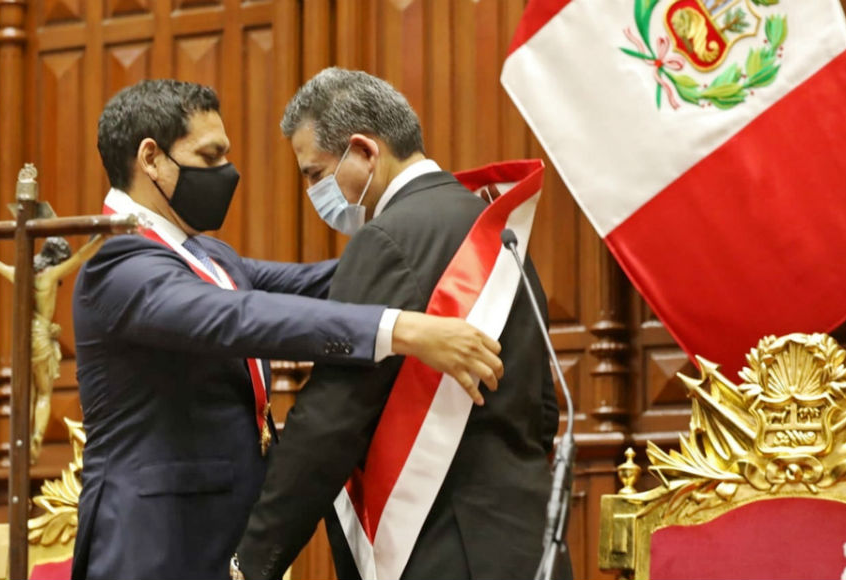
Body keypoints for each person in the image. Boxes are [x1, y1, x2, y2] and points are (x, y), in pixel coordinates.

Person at [70, 79, 508, 580]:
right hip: (156, 544)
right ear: (151, 159)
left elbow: (325, 280)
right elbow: (238, 318)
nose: (226, 173)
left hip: (225, 534)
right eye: (209, 156)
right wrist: (402, 329)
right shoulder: (116, 264)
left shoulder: (205, 254)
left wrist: (428, 223)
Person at [232, 68, 565, 579]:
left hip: (443, 551)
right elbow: (543, 408)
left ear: (365, 152)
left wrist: (253, 562)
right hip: (528, 544)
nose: (313, 192)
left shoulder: (386, 239)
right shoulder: (493, 226)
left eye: (315, 173)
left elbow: (331, 419)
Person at [0, 235, 105, 462]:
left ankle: (22, 436)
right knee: (43, 393)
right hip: (41, 335)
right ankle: (36, 436)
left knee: (25, 393)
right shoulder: (50, 276)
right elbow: (81, 257)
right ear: (57, 259)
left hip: (22, 336)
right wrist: (102, 238)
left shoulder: (20, 274)